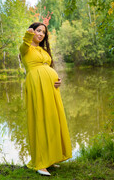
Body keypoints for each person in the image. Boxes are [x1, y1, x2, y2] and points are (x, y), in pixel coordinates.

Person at [19, 22, 72, 176]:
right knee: (40, 120)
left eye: (43, 32)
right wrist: (28, 35)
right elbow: (23, 46)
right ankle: (40, 162)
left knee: (52, 119)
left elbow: (48, 68)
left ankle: (51, 158)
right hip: (36, 87)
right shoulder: (26, 48)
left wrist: (57, 80)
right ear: (32, 31)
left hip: (51, 89)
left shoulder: (43, 50)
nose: (41, 34)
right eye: (38, 31)